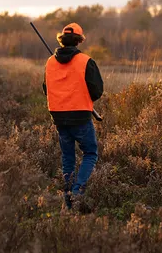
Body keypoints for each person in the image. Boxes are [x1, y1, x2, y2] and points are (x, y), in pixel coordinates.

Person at [43, 23, 104, 209]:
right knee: (90, 153)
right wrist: (82, 99)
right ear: (79, 40)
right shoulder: (86, 61)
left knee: (67, 157)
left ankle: (67, 199)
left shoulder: (50, 62)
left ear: (62, 40)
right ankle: (77, 191)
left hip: (59, 117)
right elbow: (97, 90)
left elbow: (46, 89)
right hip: (80, 116)